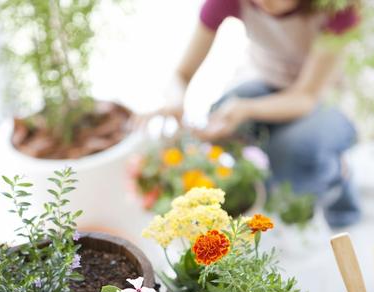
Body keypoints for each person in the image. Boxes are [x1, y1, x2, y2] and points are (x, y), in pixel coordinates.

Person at [145, 0, 362, 228]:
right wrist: (175, 100)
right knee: (222, 123)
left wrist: (246, 108)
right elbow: (181, 73)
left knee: (289, 149)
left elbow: (304, 98)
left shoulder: (338, 5)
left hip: (330, 95)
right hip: (269, 80)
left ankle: (337, 182)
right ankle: (267, 198)